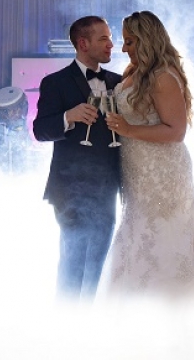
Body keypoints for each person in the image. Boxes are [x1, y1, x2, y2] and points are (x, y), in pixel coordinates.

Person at [102, 11, 194, 298]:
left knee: (165, 232)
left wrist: (128, 129)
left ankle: (175, 303)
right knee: (137, 230)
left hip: (162, 171)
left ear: (146, 40)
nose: (124, 48)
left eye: (130, 42)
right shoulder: (133, 73)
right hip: (137, 169)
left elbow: (176, 131)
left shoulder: (163, 77)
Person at [33, 16, 122, 301]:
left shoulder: (119, 83)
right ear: (83, 44)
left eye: (110, 39)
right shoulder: (55, 82)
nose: (111, 45)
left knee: (101, 260)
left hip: (107, 187)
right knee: (73, 259)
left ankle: (92, 318)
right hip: (69, 188)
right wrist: (68, 117)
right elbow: (40, 130)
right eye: (104, 39)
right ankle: (67, 319)